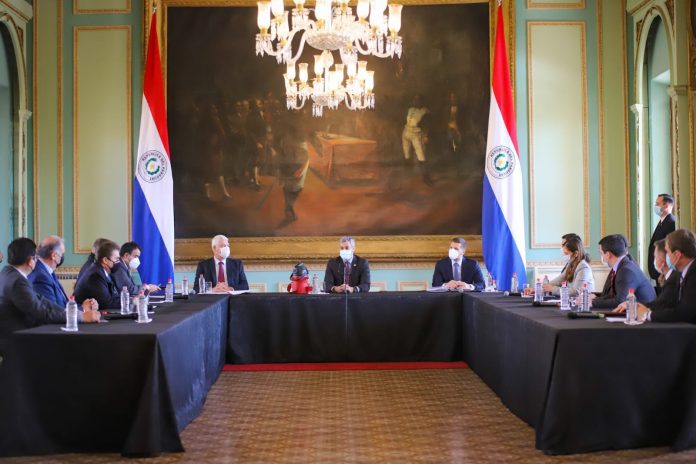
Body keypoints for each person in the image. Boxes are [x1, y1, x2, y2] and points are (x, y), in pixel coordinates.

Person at [0, 238, 100, 356]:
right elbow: (40, 312)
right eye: (35, 258)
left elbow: (42, 301)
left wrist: (76, 314)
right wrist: (80, 318)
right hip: (18, 340)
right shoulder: (17, 281)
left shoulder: (8, 272)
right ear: (30, 261)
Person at [632, 229, 696, 323]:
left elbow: (684, 312)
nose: (667, 257)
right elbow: (670, 304)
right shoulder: (684, 273)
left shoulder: (693, 273)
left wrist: (648, 314)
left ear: (677, 254)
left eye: (668, 252)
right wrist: (644, 308)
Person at [591, 234, 655, 308]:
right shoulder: (623, 265)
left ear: (608, 254)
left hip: (642, 316)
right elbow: (612, 295)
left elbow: (621, 301)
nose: (601, 257)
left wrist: (591, 303)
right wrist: (595, 297)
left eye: (601, 253)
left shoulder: (625, 271)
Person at [73, 240, 122, 309]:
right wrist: (130, 302)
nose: (118, 262)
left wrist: (130, 299)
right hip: (83, 315)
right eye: (116, 259)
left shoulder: (102, 271)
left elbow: (113, 296)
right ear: (105, 260)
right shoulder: (95, 275)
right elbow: (107, 303)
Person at [28, 235, 69, 307]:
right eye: (62, 254)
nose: (62, 257)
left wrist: (83, 308)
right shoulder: (40, 277)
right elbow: (52, 311)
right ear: (54, 255)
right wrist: (83, 313)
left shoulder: (48, 271)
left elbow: (64, 303)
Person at [402, 94, 433, 186]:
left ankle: (426, 178)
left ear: (421, 101)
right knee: (406, 155)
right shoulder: (410, 109)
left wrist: (426, 136)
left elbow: (427, 125)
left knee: (421, 156)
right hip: (406, 132)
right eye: (414, 100)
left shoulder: (425, 112)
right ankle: (407, 175)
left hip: (416, 135)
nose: (415, 101)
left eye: (417, 100)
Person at [648, 194, 676, 283]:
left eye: (658, 203)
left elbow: (668, 248)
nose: (655, 206)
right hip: (659, 271)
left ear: (666, 205)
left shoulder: (671, 222)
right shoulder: (662, 221)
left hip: (664, 272)